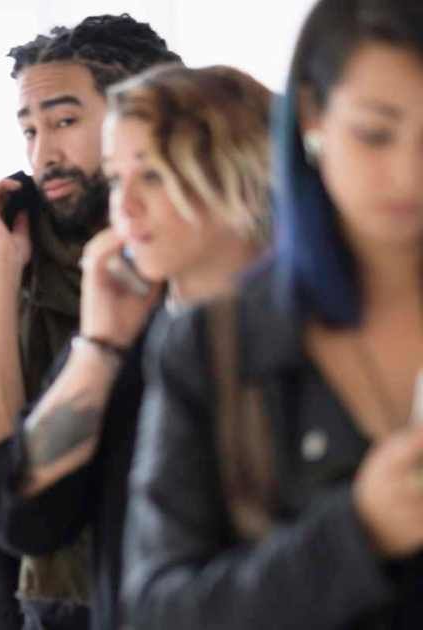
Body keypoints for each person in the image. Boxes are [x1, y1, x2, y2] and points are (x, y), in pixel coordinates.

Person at [123, 0, 423, 628]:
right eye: (376, 133)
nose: (409, 172)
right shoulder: (214, 341)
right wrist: (357, 532)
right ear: (313, 117)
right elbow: (159, 609)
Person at [0, 63, 272, 630]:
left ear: (237, 174)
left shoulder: (312, 339)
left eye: (152, 176)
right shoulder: (131, 337)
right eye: (120, 179)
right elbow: (20, 519)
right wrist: (98, 348)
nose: (127, 206)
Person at [0, 14, 181, 629]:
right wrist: (3, 272)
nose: (43, 155)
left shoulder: (205, 259)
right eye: (30, 130)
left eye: (64, 121)